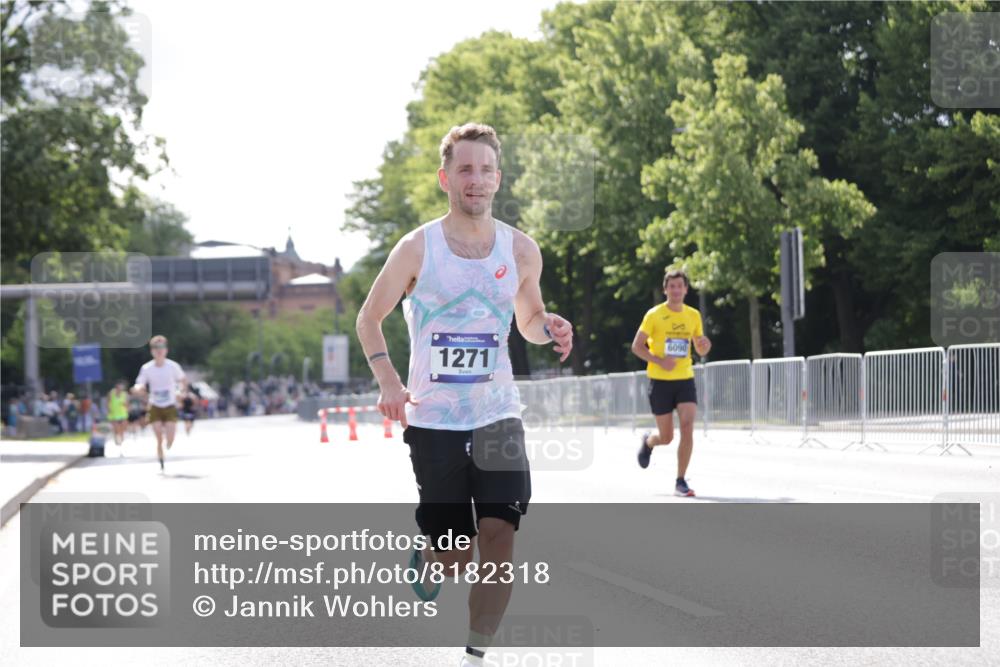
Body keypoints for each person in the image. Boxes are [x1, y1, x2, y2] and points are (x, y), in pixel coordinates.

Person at [356, 123, 573, 667]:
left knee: (501, 534)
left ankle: (475, 655)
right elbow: (369, 319)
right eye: (464, 170)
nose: (475, 180)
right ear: (445, 178)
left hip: (498, 415)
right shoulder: (417, 248)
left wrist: (550, 328)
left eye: (484, 170)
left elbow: (526, 318)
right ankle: (432, 552)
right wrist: (389, 383)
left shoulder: (522, 250)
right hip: (434, 422)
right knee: (456, 556)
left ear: (498, 178)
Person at [631, 268, 712, 497]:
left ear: (686, 289)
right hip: (660, 381)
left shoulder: (693, 315)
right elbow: (637, 346)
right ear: (666, 289)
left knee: (687, 427)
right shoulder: (654, 315)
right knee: (666, 437)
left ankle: (680, 480)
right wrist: (658, 360)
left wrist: (704, 346)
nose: (676, 290)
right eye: (672, 286)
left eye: (680, 286)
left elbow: (699, 346)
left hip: (685, 378)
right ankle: (649, 442)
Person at [132, 335, 187, 472]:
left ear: (166, 350)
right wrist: (139, 388)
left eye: (161, 347)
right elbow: (140, 383)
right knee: (158, 437)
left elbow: (183, 381)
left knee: (170, 438)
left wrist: (181, 391)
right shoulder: (147, 368)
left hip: (170, 405)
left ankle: (169, 442)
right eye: (156, 348)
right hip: (155, 405)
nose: (159, 350)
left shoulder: (172, 366)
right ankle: (161, 459)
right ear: (152, 351)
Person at [107, 381, 129, 449]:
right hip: (114, 414)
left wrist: (125, 405)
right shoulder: (111, 393)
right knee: (116, 428)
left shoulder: (124, 394)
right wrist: (109, 409)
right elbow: (108, 402)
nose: (120, 389)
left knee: (122, 428)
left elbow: (127, 404)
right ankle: (116, 438)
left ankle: (121, 439)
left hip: (122, 414)